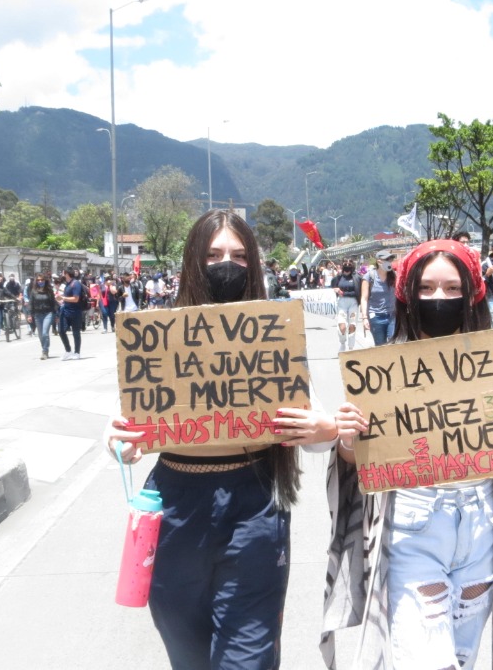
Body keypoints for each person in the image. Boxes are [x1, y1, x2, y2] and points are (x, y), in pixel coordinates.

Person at [105, 209, 340, 670]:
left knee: (247, 657)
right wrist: (117, 439)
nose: (226, 264)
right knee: (187, 655)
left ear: (254, 263)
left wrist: (326, 430)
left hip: (254, 504)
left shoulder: (274, 337)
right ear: (194, 261)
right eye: (213, 254)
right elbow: (128, 424)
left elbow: (311, 424)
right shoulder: (158, 336)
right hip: (172, 506)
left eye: (238, 255)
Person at [323, 238, 493, 669]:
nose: (439, 299)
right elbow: (358, 463)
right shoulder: (381, 372)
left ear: (472, 294)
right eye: (427, 288)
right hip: (412, 528)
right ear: (407, 295)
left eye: (452, 289)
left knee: (462, 659)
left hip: (482, 526)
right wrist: (346, 439)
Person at [360, 250, 397, 346]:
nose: (389, 262)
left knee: (392, 343)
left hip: (392, 315)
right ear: (379, 261)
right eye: (387, 259)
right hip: (376, 316)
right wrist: (364, 318)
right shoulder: (369, 276)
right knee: (380, 346)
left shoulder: (394, 276)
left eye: (391, 259)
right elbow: (364, 298)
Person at [331, 258, 362, 352]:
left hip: (353, 302)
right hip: (342, 303)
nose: (347, 264)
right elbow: (333, 286)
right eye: (345, 262)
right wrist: (335, 289)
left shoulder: (357, 277)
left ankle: (351, 347)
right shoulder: (339, 276)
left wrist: (344, 293)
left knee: (352, 325)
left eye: (350, 262)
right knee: (342, 326)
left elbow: (358, 292)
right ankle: (342, 342)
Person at [27, 272, 57, 360]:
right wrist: (29, 314)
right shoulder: (34, 291)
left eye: (42, 280)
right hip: (37, 314)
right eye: (39, 280)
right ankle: (44, 347)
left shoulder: (49, 290)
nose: (40, 281)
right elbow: (31, 303)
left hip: (48, 313)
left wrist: (56, 315)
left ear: (45, 280)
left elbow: (53, 303)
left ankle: (45, 351)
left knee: (45, 333)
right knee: (40, 335)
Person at [57, 267, 84, 360]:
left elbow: (76, 299)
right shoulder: (67, 284)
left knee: (76, 332)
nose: (62, 274)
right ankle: (68, 350)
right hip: (66, 311)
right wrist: (61, 298)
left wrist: (63, 298)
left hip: (75, 312)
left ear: (66, 274)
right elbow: (67, 296)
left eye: (63, 273)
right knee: (61, 330)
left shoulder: (76, 284)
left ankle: (77, 352)